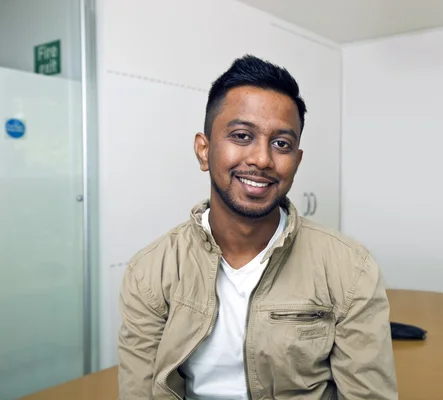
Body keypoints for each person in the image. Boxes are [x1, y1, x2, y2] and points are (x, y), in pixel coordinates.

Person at [117, 54, 398, 400]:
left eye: (282, 143)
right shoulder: (151, 272)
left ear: (296, 160)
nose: (262, 159)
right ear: (204, 151)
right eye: (241, 135)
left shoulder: (350, 268)